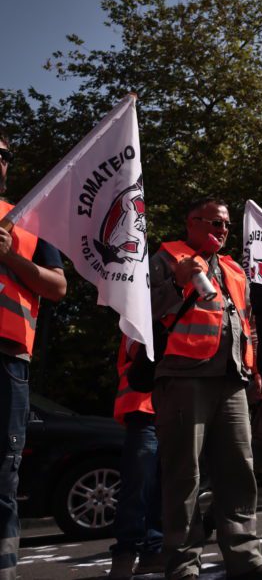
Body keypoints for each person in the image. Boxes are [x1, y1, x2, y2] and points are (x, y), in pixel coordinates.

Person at [150, 197, 262, 579]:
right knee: (184, 475)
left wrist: (255, 369)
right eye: (213, 224)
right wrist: (177, 281)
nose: (221, 231)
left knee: (240, 471)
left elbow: (246, 322)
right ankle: (183, 566)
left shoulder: (234, 269)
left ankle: (245, 560)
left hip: (231, 380)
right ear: (191, 223)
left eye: (225, 225)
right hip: (184, 376)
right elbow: (141, 310)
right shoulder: (165, 260)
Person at [0, 134, 66, 580]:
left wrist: (12, 259)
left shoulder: (27, 221)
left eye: (2, 154)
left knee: (4, 473)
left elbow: (57, 287)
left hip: (8, 360)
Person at [110, 337, 163, 579]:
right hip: (143, 409)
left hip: (173, 407)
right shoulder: (140, 311)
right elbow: (135, 348)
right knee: (139, 483)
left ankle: (153, 551)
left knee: (164, 484)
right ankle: (126, 551)